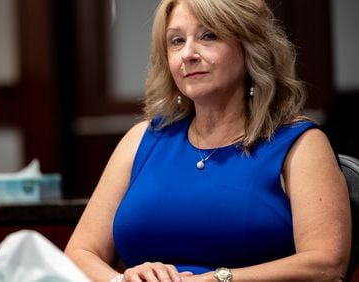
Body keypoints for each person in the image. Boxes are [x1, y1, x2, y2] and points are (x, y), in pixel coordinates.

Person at [65, 0, 351, 281]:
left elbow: (325, 265)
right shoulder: (142, 139)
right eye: (176, 41)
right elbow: (80, 251)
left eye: (208, 36)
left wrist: (217, 279)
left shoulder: (300, 144)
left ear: (249, 46)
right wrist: (121, 281)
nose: (188, 53)